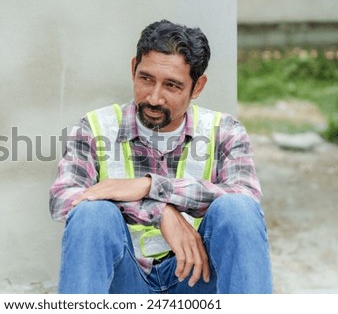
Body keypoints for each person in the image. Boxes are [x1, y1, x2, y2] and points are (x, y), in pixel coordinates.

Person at [49, 19, 272, 294]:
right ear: (133, 68)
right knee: (91, 214)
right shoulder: (95, 127)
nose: (154, 98)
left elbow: (246, 197)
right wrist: (159, 211)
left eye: (172, 86)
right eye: (146, 79)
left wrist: (150, 185)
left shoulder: (224, 131)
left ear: (197, 87)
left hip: (196, 281)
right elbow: (63, 198)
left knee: (238, 209)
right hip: (126, 284)